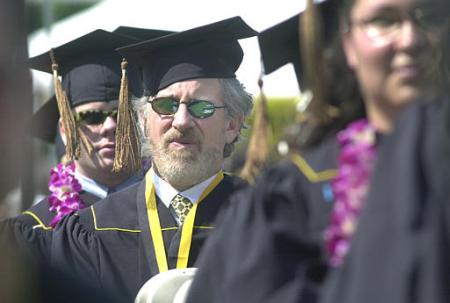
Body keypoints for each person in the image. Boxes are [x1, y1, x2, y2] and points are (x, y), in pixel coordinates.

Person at [184, 0, 450, 302]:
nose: (410, 40)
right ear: (348, 44)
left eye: (430, 17)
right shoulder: (290, 197)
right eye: (383, 20)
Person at [51, 16, 256, 301]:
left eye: (201, 107)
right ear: (143, 120)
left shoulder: (265, 220)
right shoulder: (90, 231)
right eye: (166, 105)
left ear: (232, 124)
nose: (181, 121)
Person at [0, 27, 172, 262]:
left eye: (122, 114)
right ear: (64, 129)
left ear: (142, 119)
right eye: (91, 117)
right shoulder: (33, 229)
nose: (110, 126)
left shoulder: (173, 210)